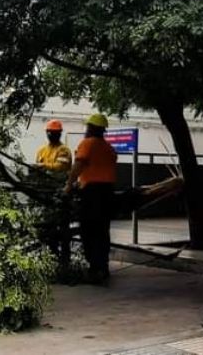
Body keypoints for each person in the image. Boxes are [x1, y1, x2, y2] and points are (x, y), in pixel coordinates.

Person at [64, 113, 117, 283]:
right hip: (108, 192)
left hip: (92, 192)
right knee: (102, 231)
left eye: (88, 127)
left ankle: (94, 269)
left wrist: (68, 185)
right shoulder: (109, 148)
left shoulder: (87, 144)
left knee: (89, 230)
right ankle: (103, 266)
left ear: (91, 128)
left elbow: (79, 165)